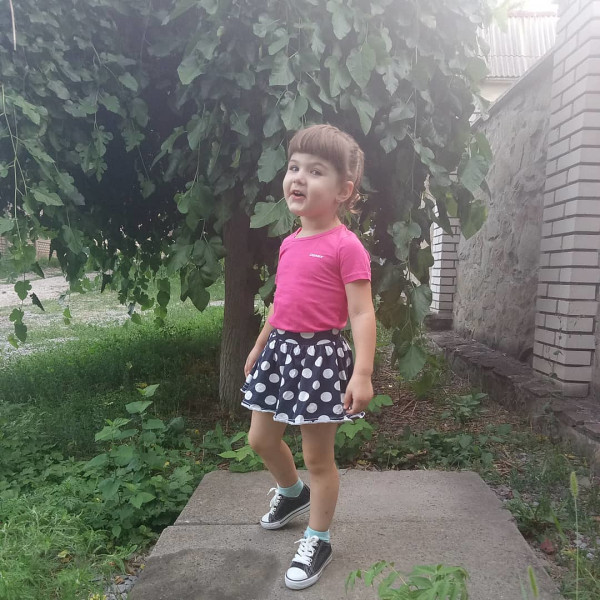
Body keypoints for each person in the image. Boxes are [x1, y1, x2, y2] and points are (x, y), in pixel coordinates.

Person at [240, 123, 376, 590]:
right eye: (294, 167)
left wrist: (362, 373)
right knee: (261, 439)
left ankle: (318, 539)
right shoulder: (289, 242)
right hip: (279, 353)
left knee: (318, 459)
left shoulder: (346, 246)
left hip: (320, 358)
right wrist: (260, 343)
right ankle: (291, 492)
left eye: (315, 171)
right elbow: (282, 302)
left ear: (343, 191)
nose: (298, 177)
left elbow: (361, 312)